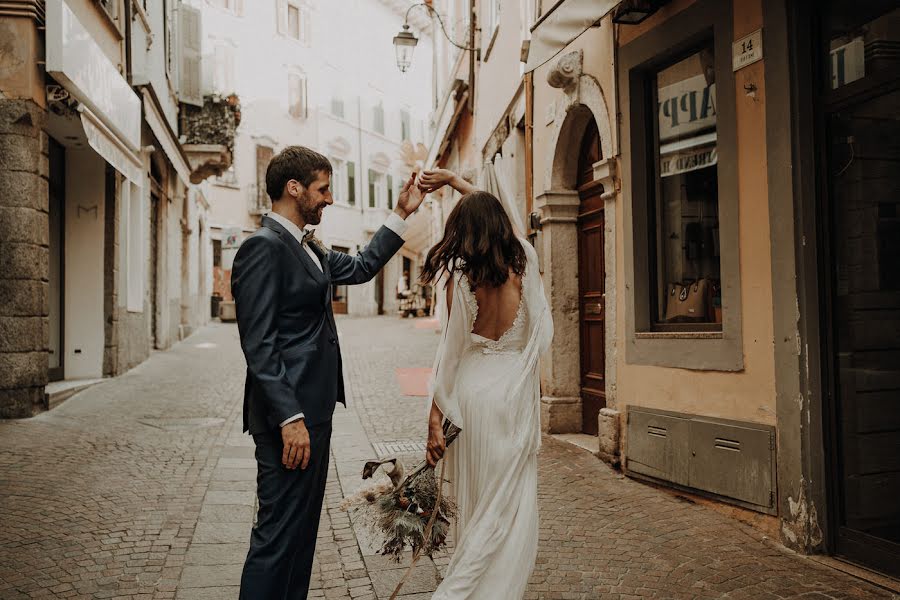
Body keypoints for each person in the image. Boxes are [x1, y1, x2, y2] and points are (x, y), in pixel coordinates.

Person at [231, 146, 425, 600]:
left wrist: (400, 214)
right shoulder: (263, 247)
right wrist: (289, 418)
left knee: (301, 534)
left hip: (313, 414)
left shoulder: (309, 246)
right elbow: (258, 345)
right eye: (323, 189)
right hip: (289, 421)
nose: (330, 199)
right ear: (293, 188)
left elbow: (360, 267)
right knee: (277, 536)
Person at [417, 169, 554, 599]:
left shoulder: (462, 277)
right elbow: (503, 220)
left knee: (476, 506)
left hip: (472, 397)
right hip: (512, 396)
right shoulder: (525, 262)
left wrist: (435, 417)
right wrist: (460, 183)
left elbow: (450, 352)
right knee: (508, 506)